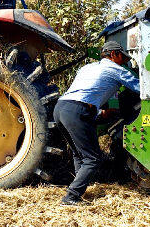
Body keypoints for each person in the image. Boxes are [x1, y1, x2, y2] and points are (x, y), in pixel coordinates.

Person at [54, 41, 141, 205]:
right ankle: (71, 196)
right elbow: (141, 88)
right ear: (113, 54)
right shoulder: (115, 69)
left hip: (61, 108)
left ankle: (79, 191)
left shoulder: (87, 68)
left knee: (79, 154)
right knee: (93, 158)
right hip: (77, 110)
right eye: (123, 58)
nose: (124, 63)